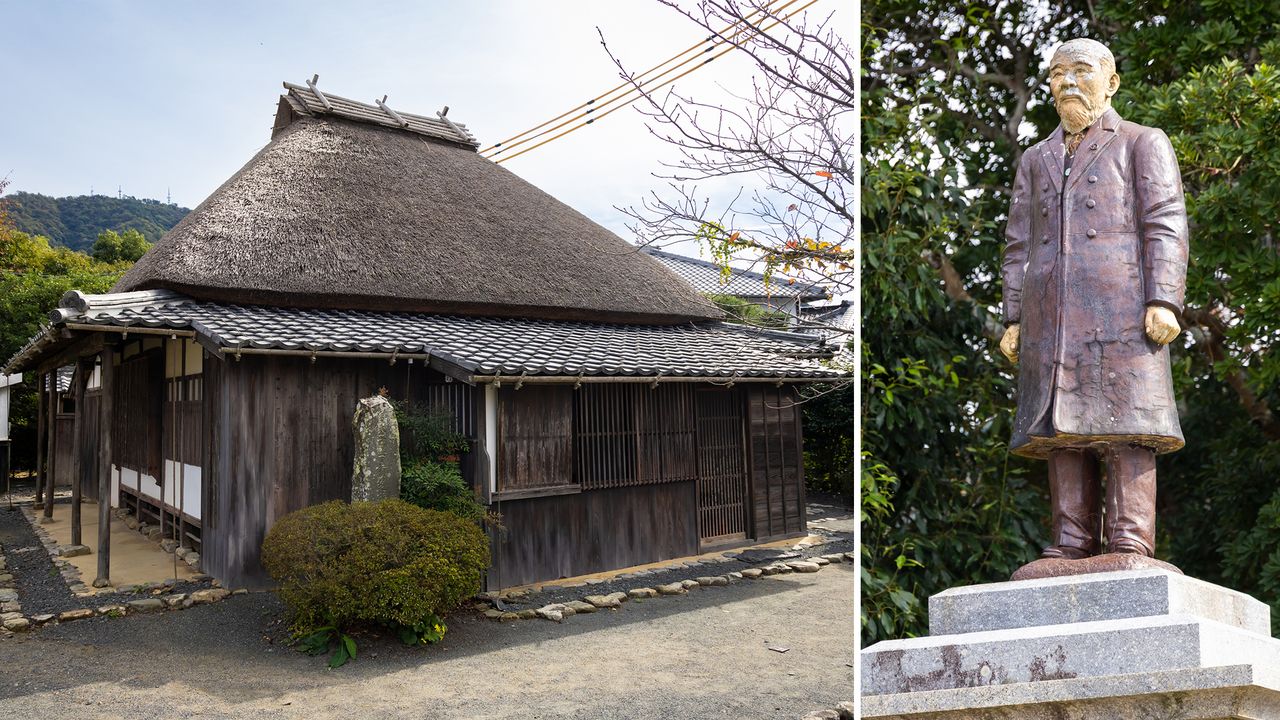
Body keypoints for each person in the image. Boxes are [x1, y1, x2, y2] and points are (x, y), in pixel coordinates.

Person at [999, 38, 1189, 560]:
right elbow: (1019, 243)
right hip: (1052, 314)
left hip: (1123, 308)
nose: (1067, 83)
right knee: (1061, 425)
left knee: (1130, 424)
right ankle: (1070, 541)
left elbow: (1165, 225)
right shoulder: (1035, 158)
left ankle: (1130, 538)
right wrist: (1013, 315)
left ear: (1111, 82)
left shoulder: (1141, 142)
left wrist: (1165, 299)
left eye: (1081, 71)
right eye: (1058, 74)